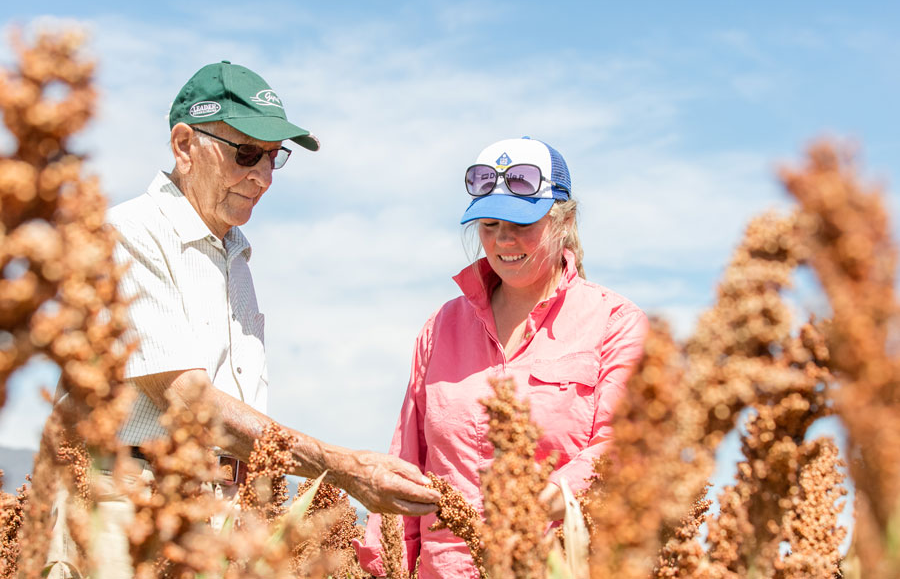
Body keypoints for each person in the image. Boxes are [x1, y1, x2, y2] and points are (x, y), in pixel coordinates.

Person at [47, 61, 440, 578]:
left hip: (216, 515)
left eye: (274, 158)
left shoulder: (234, 256)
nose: (262, 177)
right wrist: (345, 469)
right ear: (184, 145)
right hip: (128, 509)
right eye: (246, 153)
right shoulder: (129, 233)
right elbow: (189, 402)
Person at [354, 137, 649, 578]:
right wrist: (384, 566)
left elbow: (622, 446)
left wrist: (543, 504)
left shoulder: (615, 323)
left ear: (563, 219)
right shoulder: (441, 328)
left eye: (521, 223)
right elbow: (407, 462)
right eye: (489, 225)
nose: (503, 240)